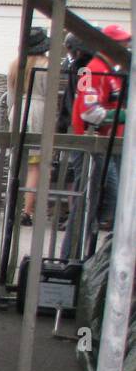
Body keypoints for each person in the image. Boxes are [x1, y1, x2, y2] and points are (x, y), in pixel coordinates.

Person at [72, 24, 128, 231]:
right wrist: (124, 116)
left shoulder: (109, 71)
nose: (126, 48)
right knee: (89, 205)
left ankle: (86, 246)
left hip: (107, 144)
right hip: (92, 144)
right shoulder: (92, 70)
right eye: (122, 43)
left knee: (95, 204)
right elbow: (88, 112)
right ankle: (74, 252)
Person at [8, 26, 50, 226]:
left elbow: (10, 96)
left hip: (18, 110)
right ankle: (27, 210)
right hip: (38, 112)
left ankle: (11, 206)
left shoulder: (16, 64)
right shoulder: (46, 66)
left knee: (16, 164)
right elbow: (51, 96)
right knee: (35, 166)